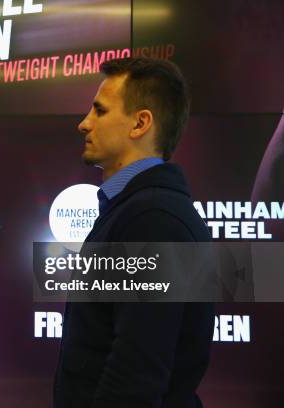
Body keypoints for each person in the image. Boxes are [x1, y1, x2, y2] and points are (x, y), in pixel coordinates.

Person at [54, 58, 214, 407]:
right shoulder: (138, 211)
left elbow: (136, 378)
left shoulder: (154, 221)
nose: (84, 124)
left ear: (140, 123)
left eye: (99, 110)